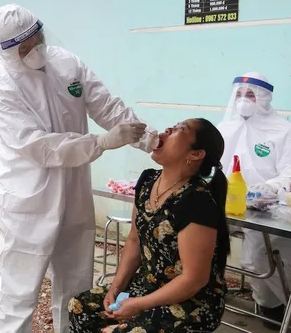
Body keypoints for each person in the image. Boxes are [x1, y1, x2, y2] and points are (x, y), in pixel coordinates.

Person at [0, 4, 158, 333]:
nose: (35, 48)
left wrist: (149, 139)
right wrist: (102, 143)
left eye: (38, 38)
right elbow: (40, 146)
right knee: (18, 290)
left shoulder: (66, 63)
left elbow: (107, 105)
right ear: (8, 51)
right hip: (30, 200)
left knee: (76, 282)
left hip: (74, 189)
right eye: (25, 46)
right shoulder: (2, 87)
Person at [70, 118, 230, 332]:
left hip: (189, 302)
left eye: (181, 129)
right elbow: (135, 240)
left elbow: (194, 279)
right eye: (172, 125)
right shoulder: (147, 181)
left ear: (195, 154)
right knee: (79, 308)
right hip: (148, 285)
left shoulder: (196, 201)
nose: (168, 128)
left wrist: (138, 305)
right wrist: (117, 287)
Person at [217, 72, 291, 329]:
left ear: (264, 97)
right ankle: (205, 294)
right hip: (227, 204)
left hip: (266, 209)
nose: (243, 100)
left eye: (251, 95)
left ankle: (273, 305)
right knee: (201, 240)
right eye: (239, 94)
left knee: (261, 256)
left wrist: (270, 187)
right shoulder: (225, 127)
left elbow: (289, 171)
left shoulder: (282, 130)